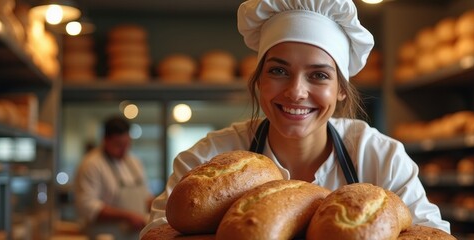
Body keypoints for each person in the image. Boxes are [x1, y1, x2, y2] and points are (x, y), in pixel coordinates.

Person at [141, 0, 450, 237]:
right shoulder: (206, 157)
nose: (296, 92)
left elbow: (431, 233)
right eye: (278, 71)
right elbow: (158, 232)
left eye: (318, 75)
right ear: (259, 79)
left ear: (341, 90)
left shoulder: (379, 156)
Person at [74, 115, 154, 239]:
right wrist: (128, 216)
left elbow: (146, 195)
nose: (123, 150)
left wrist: (159, 205)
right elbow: (88, 206)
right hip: (106, 236)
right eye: (118, 145)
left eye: (127, 144)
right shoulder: (91, 164)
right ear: (105, 140)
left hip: (136, 235)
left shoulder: (134, 162)